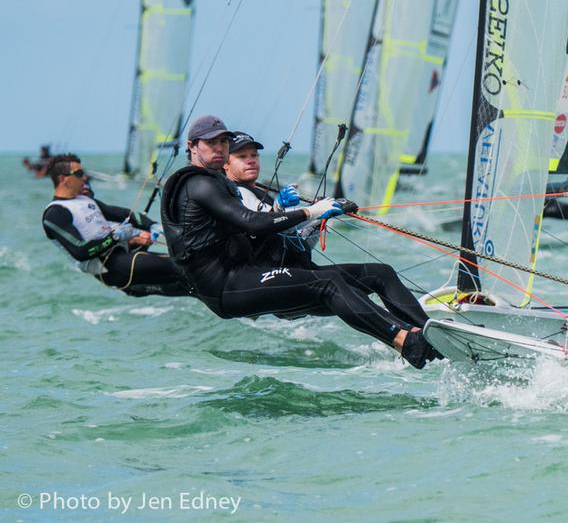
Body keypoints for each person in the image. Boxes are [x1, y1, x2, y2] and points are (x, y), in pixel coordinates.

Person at [160, 115, 440, 368]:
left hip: (250, 275)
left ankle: (429, 336)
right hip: (227, 287)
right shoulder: (200, 184)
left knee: (377, 274)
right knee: (329, 283)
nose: (219, 147)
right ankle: (405, 340)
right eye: (212, 143)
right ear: (192, 146)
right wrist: (308, 211)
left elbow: (269, 234)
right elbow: (253, 223)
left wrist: (315, 219)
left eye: (223, 141)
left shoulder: (222, 185)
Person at [223, 131, 433, 332]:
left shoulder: (260, 194)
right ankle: (408, 333)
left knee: (381, 273)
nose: (251, 160)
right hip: (278, 284)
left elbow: (297, 242)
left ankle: (425, 329)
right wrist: (298, 211)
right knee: (344, 284)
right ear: (225, 163)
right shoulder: (234, 197)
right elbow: (263, 226)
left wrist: (322, 218)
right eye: (242, 156)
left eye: (254, 155)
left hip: (302, 274)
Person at [41, 154, 192, 297]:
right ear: (63, 179)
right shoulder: (54, 214)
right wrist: (115, 236)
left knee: (188, 282)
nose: (85, 177)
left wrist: (153, 226)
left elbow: (123, 214)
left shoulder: (84, 200)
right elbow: (80, 251)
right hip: (109, 267)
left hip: (122, 255)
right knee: (183, 268)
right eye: (79, 173)